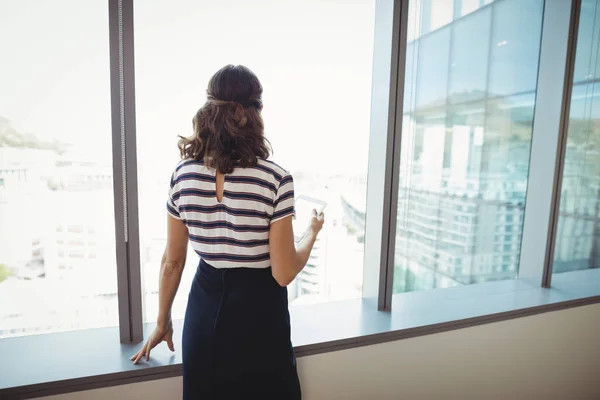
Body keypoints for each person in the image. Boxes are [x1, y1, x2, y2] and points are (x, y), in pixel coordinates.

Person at [130, 64, 324, 399]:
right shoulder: (275, 178)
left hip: (204, 307)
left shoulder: (182, 174)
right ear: (256, 113)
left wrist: (162, 322)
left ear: (207, 109)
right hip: (259, 313)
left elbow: (171, 262)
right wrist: (311, 232)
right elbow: (283, 272)